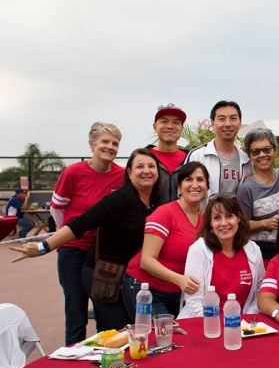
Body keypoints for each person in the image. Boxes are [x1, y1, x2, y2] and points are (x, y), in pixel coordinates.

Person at [11, 148, 161, 333]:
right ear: (129, 173)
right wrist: (44, 246)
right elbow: (81, 223)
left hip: (130, 278)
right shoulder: (119, 199)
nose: (146, 170)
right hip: (106, 276)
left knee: (129, 329)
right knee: (117, 331)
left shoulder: (155, 202)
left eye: (151, 166)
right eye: (139, 166)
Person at [47, 121, 124, 345]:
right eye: (105, 142)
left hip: (102, 254)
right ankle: (72, 355)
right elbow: (57, 209)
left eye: (115, 143)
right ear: (92, 145)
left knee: (105, 309)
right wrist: (67, 236)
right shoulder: (73, 173)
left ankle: (105, 356)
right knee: (76, 311)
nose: (110, 147)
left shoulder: (121, 177)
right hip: (73, 251)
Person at [123, 162, 209, 318]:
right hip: (146, 290)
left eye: (200, 180)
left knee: (177, 339)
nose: (195, 185)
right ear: (179, 187)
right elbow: (147, 260)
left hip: (178, 294)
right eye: (189, 180)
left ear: (207, 187)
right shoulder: (165, 213)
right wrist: (179, 279)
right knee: (158, 338)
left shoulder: (205, 219)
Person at [178, 195, 264, 318]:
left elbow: (259, 293)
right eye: (217, 218)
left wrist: (245, 320)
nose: (224, 223)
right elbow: (194, 300)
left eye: (229, 216)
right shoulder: (199, 249)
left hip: (242, 324)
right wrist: (214, 325)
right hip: (202, 322)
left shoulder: (253, 249)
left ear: (238, 218)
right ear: (211, 223)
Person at [237, 128, 279, 264]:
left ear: (274, 150)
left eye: (267, 149)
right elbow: (241, 224)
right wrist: (265, 223)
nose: (262, 155)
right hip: (263, 254)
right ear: (250, 155)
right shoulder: (246, 189)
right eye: (255, 151)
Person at [184, 100, 252, 196]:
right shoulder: (197, 156)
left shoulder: (247, 161)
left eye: (233, 118)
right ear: (212, 123)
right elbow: (183, 192)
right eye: (221, 119)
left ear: (240, 123)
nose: (228, 124)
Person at [146, 103, 189, 203]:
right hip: (150, 218)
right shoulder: (142, 158)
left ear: (182, 129)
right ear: (155, 126)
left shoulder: (191, 159)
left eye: (176, 122)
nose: (170, 126)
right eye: (164, 121)